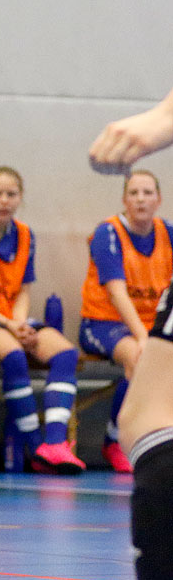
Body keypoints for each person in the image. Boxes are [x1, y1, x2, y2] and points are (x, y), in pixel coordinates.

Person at [55, 91, 173, 580]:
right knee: (143, 419)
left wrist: (162, 120)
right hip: (109, 327)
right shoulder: (112, 237)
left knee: (148, 417)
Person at [0, 167, 85, 474]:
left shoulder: (25, 234)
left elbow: (24, 290)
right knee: (13, 355)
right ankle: (35, 445)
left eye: (11, 195)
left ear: (20, 198)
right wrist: (9, 324)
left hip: (11, 317)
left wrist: (20, 321)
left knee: (65, 354)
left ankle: (55, 442)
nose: (4, 201)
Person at [78, 169, 170, 473]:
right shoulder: (108, 234)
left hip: (149, 324)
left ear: (159, 199)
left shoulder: (168, 233)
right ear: (124, 199)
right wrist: (146, 338)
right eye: (134, 193)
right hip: (103, 322)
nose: (141, 199)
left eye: (147, 193)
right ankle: (114, 440)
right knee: (139, 357)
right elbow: (117, 293)